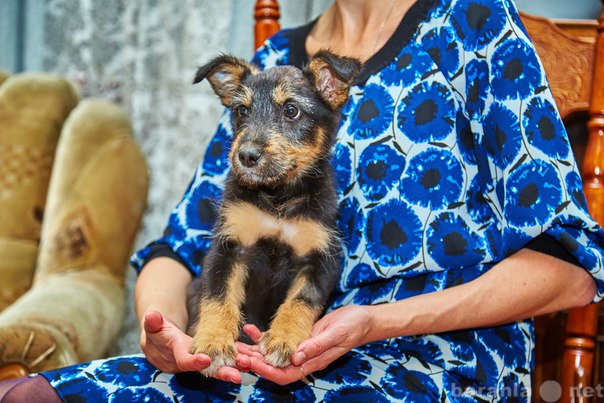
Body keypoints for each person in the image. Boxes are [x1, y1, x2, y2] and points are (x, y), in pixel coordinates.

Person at [2, 0, 603, 401]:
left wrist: (373, 324)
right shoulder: (270, 67)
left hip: (439, 366)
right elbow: (182, 248)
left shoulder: (474, 25)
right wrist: (164, 334)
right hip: (252, 357)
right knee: (38, 396)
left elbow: (572, 270)